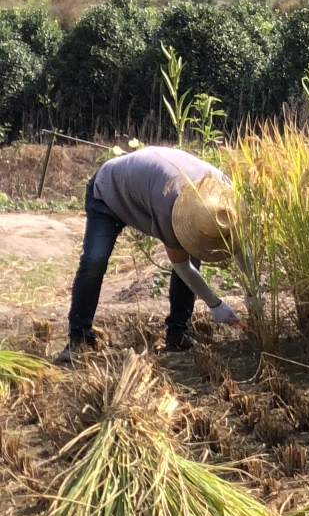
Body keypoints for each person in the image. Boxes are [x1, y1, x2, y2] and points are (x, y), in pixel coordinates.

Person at [58, 145, 242, 363]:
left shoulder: (224, 192)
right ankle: (78, 338)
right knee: (94, 260)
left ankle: (178, 334)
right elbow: (183, 268)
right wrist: (215, 305)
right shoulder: (172, 206)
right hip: (108, 193)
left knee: (192, 248)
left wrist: (252, 295)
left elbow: (241, 242)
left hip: (142, 187)